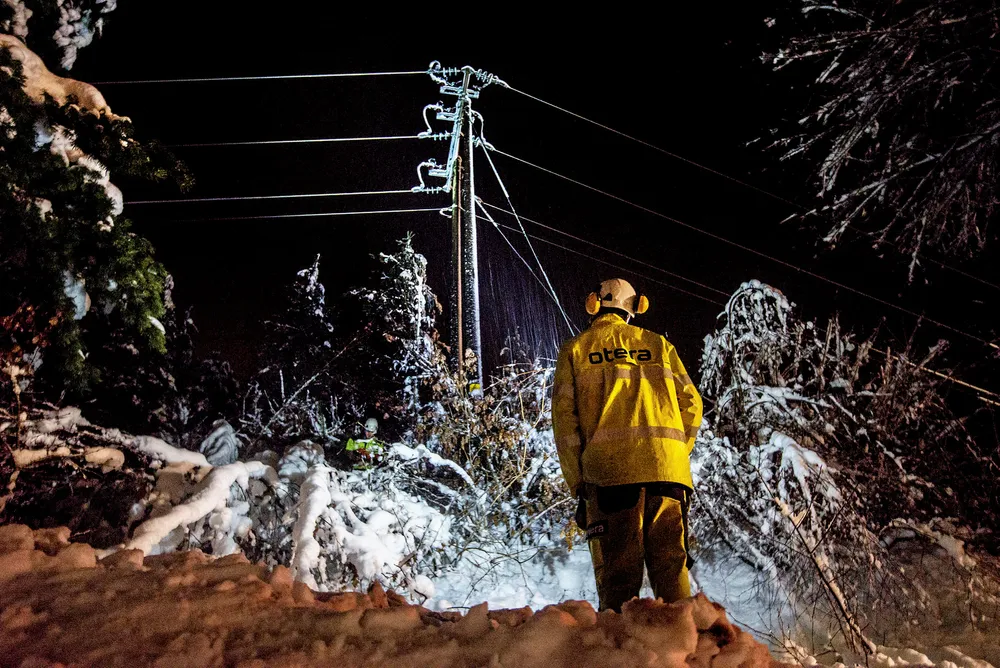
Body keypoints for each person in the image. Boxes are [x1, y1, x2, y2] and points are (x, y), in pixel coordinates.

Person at [552, 278, 703, 612]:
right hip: (668, 474)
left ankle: (619, 642)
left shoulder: (576, 350)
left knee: (618, 580)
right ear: (635, 307)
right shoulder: (659, 345)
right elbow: (693, 404)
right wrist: (674, 453)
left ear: (594, 304)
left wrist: (578, 482)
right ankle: (681, 641)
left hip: (609, 478)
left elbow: (565, 424)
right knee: (672, 571)